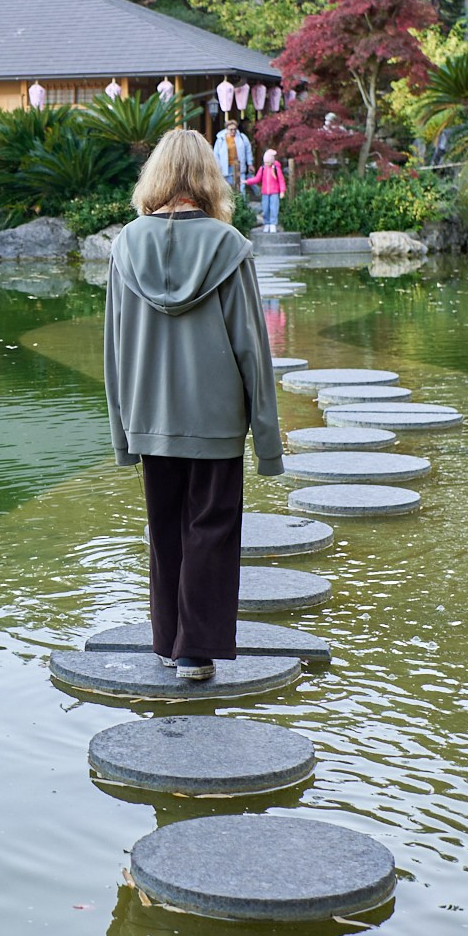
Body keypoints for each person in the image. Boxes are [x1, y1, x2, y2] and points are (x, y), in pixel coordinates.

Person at [103, 130, 283, 681]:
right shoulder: (229, 247)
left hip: (149, 416)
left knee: (164, 529)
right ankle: (194, 651)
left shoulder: (124, 246)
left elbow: (113, 348)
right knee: (211, 527)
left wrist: (121, 435)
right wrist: (268, 444)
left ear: (155, 177)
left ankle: (166, 641)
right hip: (216, 419)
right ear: (209, 177)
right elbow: (253, 348)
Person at [213, 121, 253, 213]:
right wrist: (217, 167)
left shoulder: (242, 138)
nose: (233, 131)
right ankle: (231, 210)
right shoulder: (220, 139)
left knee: (241, 188)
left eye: (235, 129)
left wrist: (250, 163)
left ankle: (243, 209)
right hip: (225, 168)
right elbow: (216, 154)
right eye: (231, 129)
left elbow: (248, 150)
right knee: (228, 189)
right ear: (226, 129)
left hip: (239, 166)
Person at [243, 148, 287, 231]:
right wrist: (248, 181)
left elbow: (281, 180)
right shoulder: (262, 168)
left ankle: (273, 224)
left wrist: (282, 191)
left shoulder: (276, 169)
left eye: (268, 162)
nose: (267, 164)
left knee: (274, 208)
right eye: (265, 162)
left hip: (274, 192)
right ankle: (266, 223)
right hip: (265, 192)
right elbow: (257, 178)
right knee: (265, 208)